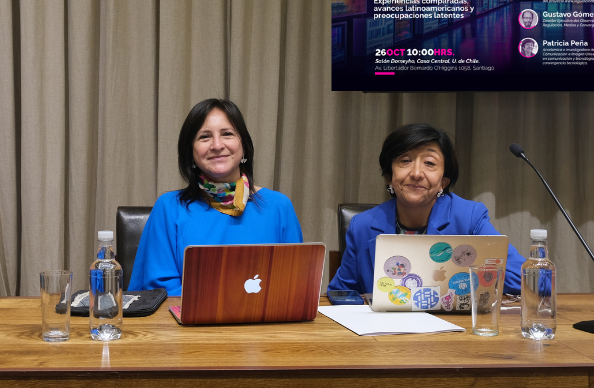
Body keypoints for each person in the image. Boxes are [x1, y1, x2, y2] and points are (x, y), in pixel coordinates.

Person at [127, 99, 303, 296]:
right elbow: (161, 291)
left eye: (227, 134)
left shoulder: (279, 206)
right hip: (189, 325)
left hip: (266, 324)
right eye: (204, 137)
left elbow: (294, 287)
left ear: (243, 145)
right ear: (191, 152)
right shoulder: (168, 207)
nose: (217, 145)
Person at [328, 124, 524, 295]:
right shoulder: (363, 225)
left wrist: (460, 273)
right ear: (389, 175)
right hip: (384, 334)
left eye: (429, 163)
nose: (416, 173)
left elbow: (528, 279)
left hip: (452, 332)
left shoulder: (469, 218)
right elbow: (341, 293)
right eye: (405, 161)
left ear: (443, 182)